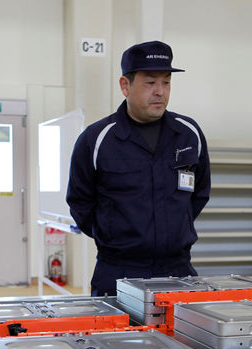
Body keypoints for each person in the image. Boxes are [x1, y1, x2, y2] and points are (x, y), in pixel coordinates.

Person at [66, 40, 210, 296]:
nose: (160, 91)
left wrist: (175, 227)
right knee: (113, 337)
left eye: (166, 82)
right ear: (125, 85)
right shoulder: (97, 139)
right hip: (118, 272)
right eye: (150, 82)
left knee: (182, 338)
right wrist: (113, 235)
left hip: (178, 271)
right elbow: (80, 202)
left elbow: (199, 193)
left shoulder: (189, 134)